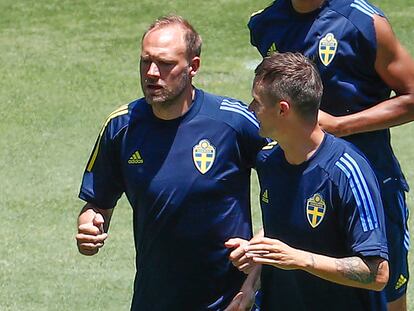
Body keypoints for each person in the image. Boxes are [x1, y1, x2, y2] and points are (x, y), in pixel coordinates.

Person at [75, 15, 266, 310]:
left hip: (228, 302)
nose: (152, 73)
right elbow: (97, 204)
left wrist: (259, 250)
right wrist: (89, 226)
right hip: (153, 301)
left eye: (165, 64)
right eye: (145, 61)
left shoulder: (232, 122)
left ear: (194, 67)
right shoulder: (121, 127)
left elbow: (294, 185)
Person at [247, 1, 414, 309]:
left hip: (371, 182)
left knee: (385, 296)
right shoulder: (265, 23)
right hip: (302, 179)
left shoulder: (365, 22)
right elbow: (271, 96)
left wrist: (341, 126)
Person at [233, 51, 390, 310]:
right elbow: (283, 232)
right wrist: (252, 275)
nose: (251, 109)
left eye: (257, 102)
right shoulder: (269, 161)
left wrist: (300, 259)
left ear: (283, 109)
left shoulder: (346, 171)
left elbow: (377, 273)